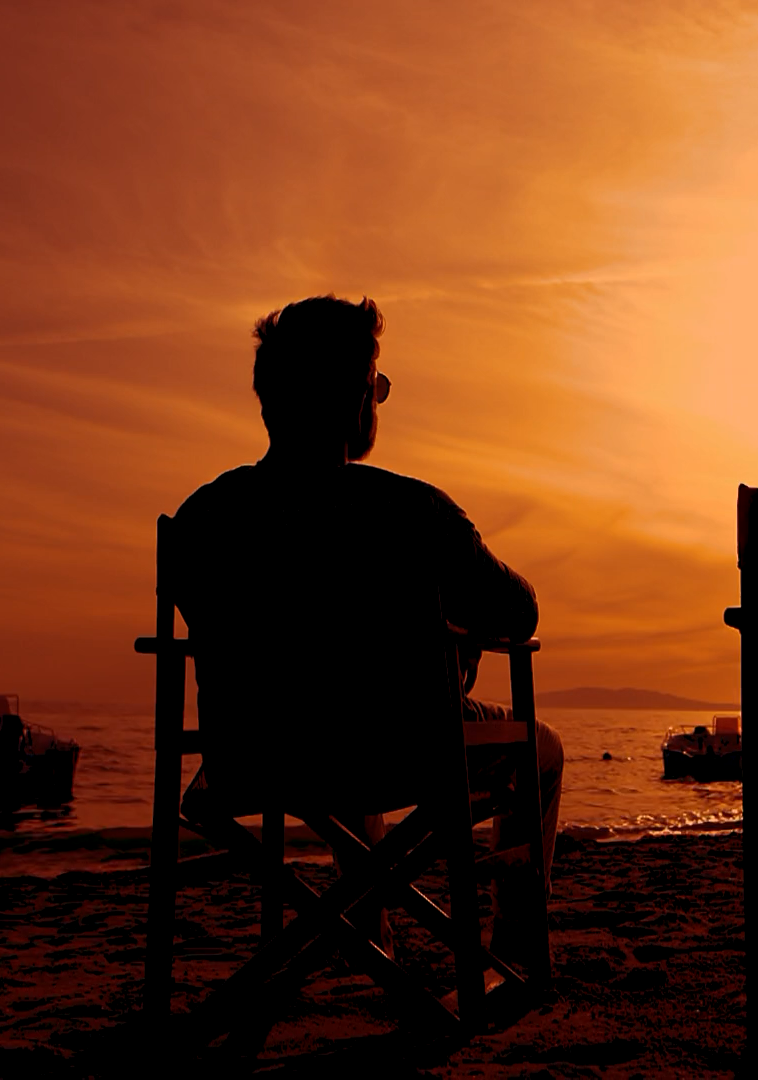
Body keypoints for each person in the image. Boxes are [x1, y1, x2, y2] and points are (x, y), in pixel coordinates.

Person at [171, 295, 564, 947]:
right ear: (357, 396)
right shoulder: (411, 512)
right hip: (399, 749)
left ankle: (367, 930)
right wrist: (454, 634)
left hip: (250, 757)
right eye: (376, 386)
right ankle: (513, 951)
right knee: (538, 750)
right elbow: (518, 614)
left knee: (334, 710)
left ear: (269, 397)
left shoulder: (201, 519)